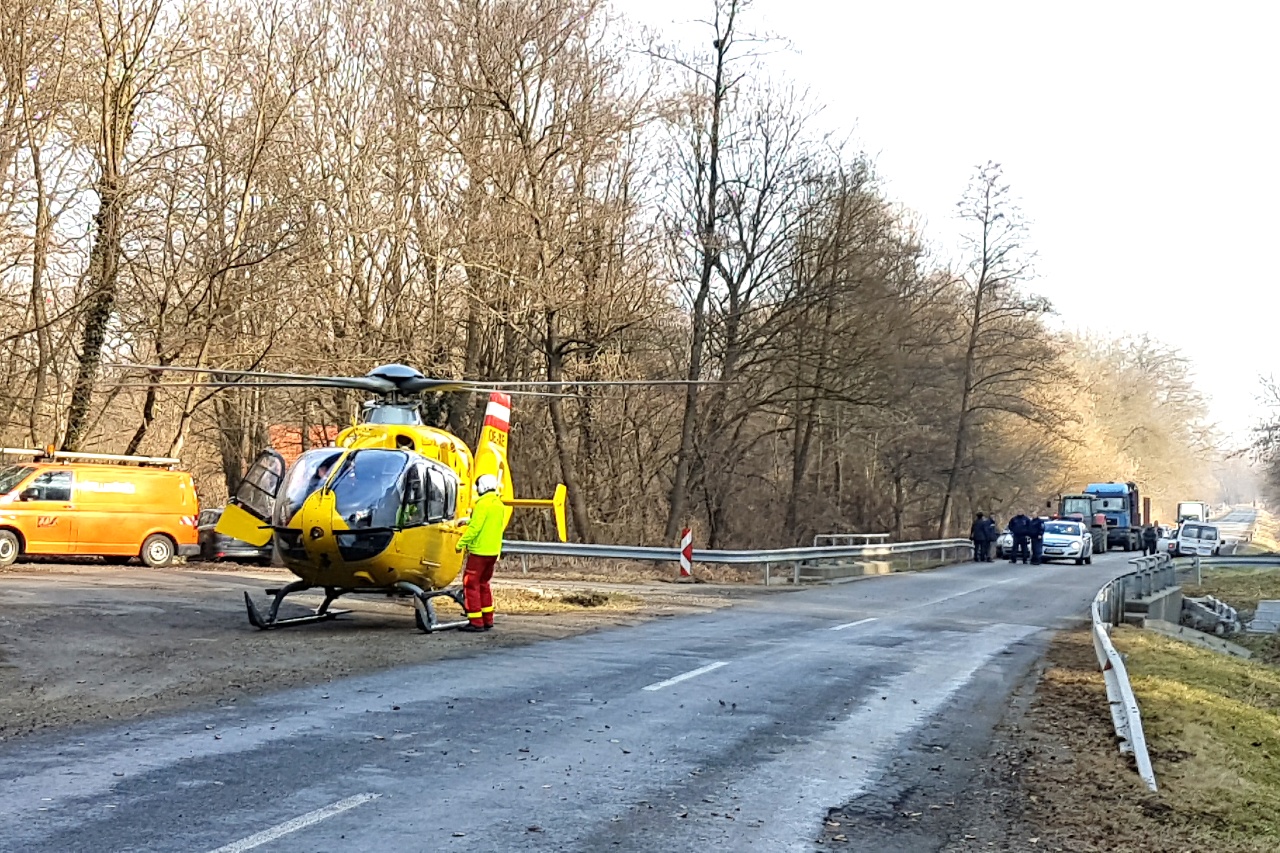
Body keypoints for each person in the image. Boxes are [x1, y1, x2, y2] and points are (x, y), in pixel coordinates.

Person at [455, 473, 507, 632]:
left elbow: (475, 528)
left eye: (477, 486)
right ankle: (487, 619)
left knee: (470, 584)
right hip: (492, 552)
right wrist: (467, 520)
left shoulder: (482, 504)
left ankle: (476, 622)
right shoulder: (498, 504)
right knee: (484, 584)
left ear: (482, 487)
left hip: (479, 552)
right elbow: (487, 522)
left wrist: (461, 543)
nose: (476, 489)